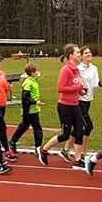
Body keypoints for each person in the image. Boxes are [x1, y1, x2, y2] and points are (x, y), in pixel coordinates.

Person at [40, 44, 88, 172]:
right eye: (77, 52)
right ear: (71, 55)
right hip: (65, 106)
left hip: (75, 104)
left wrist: (81, 91)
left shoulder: (76, 70)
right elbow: (61, 88)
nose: (79, 54)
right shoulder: (65, 70)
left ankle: (78, 160)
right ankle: (44, 149)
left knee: (80, 130)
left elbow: (75, 85)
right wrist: (77, 88)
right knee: (65, 135)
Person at [70, 46, 101, 159]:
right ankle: (82, 152)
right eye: (86, 53)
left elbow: (95, 84)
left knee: (79, 126)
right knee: (87, 126)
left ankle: (66, 149)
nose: (89, 54)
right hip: (79, 100)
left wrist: (101, 84)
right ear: (81, 56)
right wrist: (81, 88)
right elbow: (75, 82)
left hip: (88, 99)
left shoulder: (94, 68)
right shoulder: (78, 68)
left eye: (90, 52)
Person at [9, 61, 44, 160]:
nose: (38, 72)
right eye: (36, 71)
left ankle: (13, 142)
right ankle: (37, 147)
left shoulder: (33, 81)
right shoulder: (28, 83)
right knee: (36, 128)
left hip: (33, 110)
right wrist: (35, 102)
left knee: (24, 127)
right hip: (29, 111)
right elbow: (25, 98)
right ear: (32, 72)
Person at [0, 54, 17, 161]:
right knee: (0, 128)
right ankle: (6, 151)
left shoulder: (1, 73)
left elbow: (5, 86)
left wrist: (8, 87)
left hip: (2, 103)